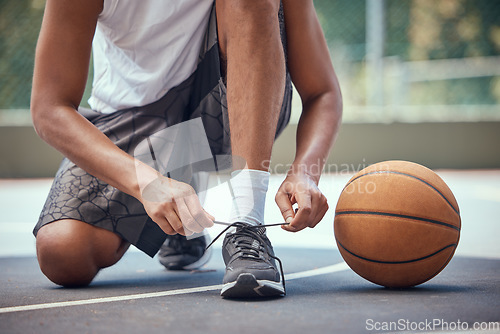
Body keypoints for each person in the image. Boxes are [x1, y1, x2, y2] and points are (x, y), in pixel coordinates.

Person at [31, 0, 342, 298]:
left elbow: (323, 92)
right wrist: (147, 183)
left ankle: (248, 230)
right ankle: (178, 218)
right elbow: (49, 108)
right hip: (135, 122)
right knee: (63, 253)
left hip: (230, 107)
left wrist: (305, 172)